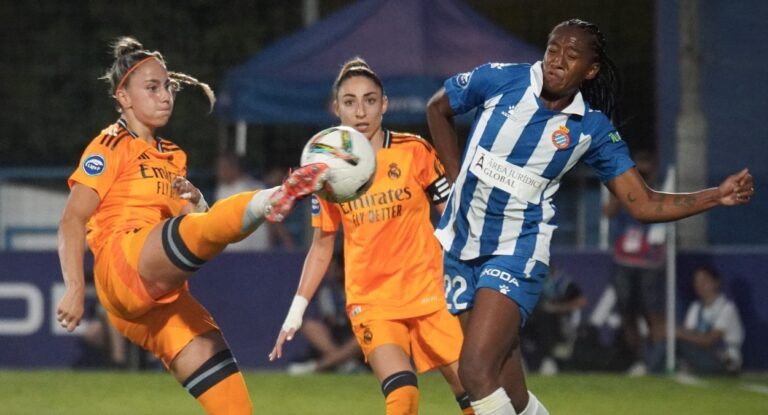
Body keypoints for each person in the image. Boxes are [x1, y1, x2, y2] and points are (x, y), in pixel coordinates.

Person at [426, 18, 754, 415]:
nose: (557, 61)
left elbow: (642, 202)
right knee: (510, 395)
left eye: (571, 55)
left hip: (516, 250)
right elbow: (437, 108)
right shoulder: (500, 80)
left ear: (590, 70)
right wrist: (455, 175)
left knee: (475, 372)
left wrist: (715, 196)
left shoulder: (590, 129)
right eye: (552, 49)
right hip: (459, 244)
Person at [56, 36, 328, 414]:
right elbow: (72, 219)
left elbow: (199, 230)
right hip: (121, 265)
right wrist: (73, 287)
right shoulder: (109, 145)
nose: (165, 95)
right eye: (151, 87)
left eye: (167, 86)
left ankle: (271, 198)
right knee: (197, 232)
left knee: (235, 407)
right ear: (124, 97)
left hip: (160, 299)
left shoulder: (173, 156)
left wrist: (198, 202)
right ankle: (275, 196)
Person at [269, 57, 474, 415]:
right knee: (403, 396)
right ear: (336, 109)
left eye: (369, 99)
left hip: (430, 292)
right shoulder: (327, 172)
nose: (360, 111)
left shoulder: (414, 150)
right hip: (373, 301)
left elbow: (454, 217)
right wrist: (296, 310)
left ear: (385, 104)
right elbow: (321, 246)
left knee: (475, 391)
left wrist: (477, 270)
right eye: (349, 102)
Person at [603, 149, 667, 375]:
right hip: (625, 260)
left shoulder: (660, 187)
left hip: (649, 261)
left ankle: (659, 359)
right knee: (628, 314)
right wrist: (623, 190)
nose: (641, 172)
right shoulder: (624, 187)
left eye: (644, 168)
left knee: (652, 313)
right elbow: (607, 213)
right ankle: (640, 360)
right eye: (637, 167)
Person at [286, 250, 364, 375]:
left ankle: (316, 367)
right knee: (309, 326)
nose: (329, 271)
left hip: (355, 331)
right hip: (336, 334)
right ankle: (345, 364)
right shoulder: (327, 290)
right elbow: (329, 318)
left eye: (333, 268)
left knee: (363, 336)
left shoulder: (358, 287)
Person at [214, 152, 295, 251]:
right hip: (230, 251)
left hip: (256, 250)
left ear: (234, 167)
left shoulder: (254, 188)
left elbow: (273, 218)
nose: (220, 172)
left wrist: (288, 244)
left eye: (223, 167)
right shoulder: (221, 191)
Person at [674, 266, 744, 375]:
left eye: (704, 281)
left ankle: (654, 369)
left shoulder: (727, 308)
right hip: (702, 355)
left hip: (724, 360)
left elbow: (710, 339)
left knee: (677, 340)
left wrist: (678, 333)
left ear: (716, 283)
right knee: (673, 340)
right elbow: (689, 334)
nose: (700, 285)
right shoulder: (695, 307)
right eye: (697, 282)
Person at [521, 265, 587, 375]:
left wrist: (556, 309)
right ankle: (523, 361)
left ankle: (547, 360)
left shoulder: (562, 283)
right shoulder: (531, 282)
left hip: (559, 321)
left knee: (545, 322)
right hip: (534, 321)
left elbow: (582, 301)